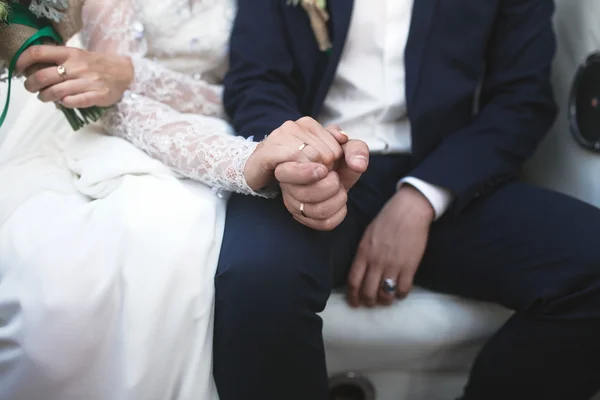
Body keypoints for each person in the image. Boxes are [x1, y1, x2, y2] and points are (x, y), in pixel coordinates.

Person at [215, 1, 600, 399]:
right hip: (317, 165)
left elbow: (522, 100)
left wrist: (423, 196)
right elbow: (256, 80)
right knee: (257, 280)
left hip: (449, 172)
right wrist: (298, 158)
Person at [0, 0, 369, 399]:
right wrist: (239, 161)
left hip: (239, 123)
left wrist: (133, 74)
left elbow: (251, 87)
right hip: (130, 131)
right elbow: (114, 102)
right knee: (75, 280)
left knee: (195, 248)